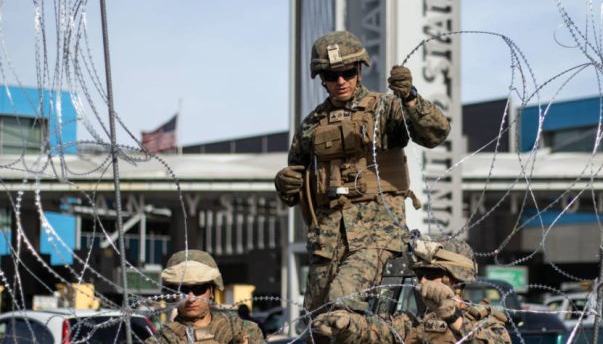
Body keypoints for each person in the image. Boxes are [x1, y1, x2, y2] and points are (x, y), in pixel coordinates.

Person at [274, 31, 450, 314]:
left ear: (358, 69)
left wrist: (411, 98)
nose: (340, 81)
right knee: (319, 322)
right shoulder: (311, 125)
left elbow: (436, 133)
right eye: (332, 75)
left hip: (377, 237)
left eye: (346, 72)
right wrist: (284, 183)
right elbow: (295, 189)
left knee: (344, 305)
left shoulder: (385, 108)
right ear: (321, 78)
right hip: (327, 244)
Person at [311, 236, 512, 343]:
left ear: (457, 280)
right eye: (419, 274)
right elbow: (373, 332)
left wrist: (452, 315)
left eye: (431, 274)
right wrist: (346, 325)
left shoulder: (486, 324)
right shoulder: (410, 323)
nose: (422, 281)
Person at [146, 249, 265, 344]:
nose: (191, 298)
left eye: (199, 289)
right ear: (173, 294)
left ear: (211, 292)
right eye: (183, 290)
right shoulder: (162, 340)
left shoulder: (243, 330)